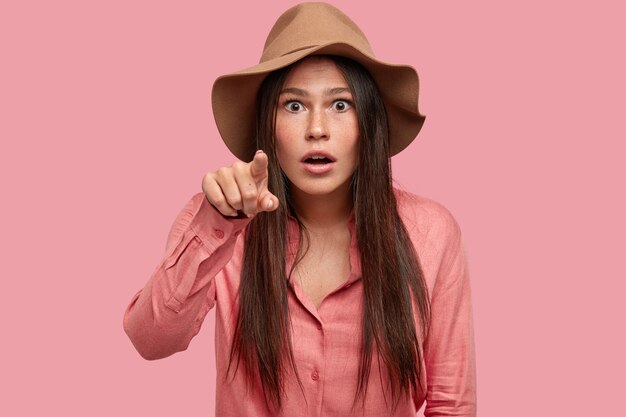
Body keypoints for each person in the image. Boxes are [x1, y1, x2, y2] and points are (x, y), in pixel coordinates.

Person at [123, 3, 476, 416]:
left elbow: (452, 402)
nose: (317, 129)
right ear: (266, 124)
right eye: (294, 105)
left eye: (340, 105)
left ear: (370, 122)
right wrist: (221, 224)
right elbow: (151, 340)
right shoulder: (217, 218)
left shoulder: (431, 233)